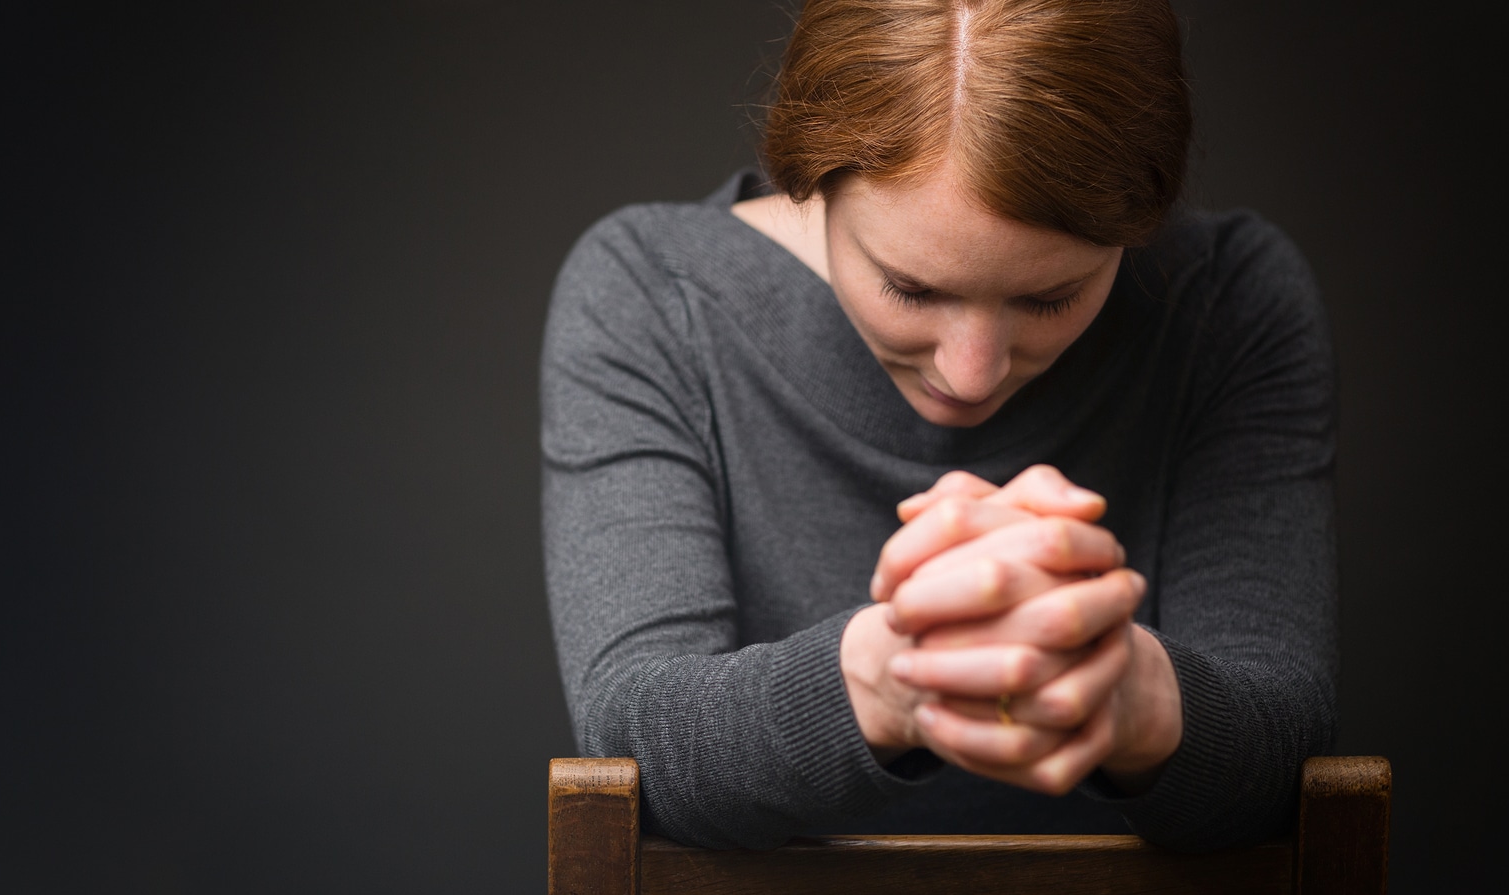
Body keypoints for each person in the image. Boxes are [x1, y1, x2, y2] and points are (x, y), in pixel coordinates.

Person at [540, 0, 1336, 851]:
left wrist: (1130, 692)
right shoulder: (651, 297)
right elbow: (634, 743)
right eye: (912, 290)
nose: (972, 373)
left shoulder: (1230, 304)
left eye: (1049, 296)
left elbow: (1280, 757)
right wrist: (894, 679)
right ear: (810, 179)